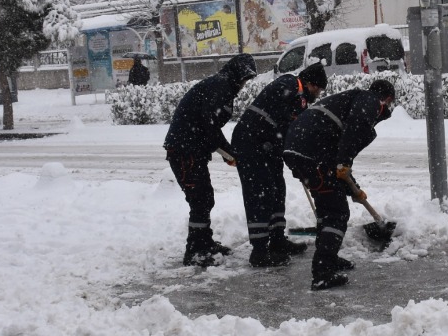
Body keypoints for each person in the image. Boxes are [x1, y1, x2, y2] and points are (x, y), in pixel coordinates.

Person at [282, 77, 397, 291]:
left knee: (327, 206)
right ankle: (323, 272)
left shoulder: (348, 101)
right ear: (387, 99)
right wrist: (344, 162)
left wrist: (352, 187)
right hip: (312, 152)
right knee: (336, 213)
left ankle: (329, 258)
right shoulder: (370, 99)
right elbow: (355, 130)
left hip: (301, 149)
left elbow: (338, 156)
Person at [163, 54, 257, 267]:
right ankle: (194, 251)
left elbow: (209, 126)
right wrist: (228, 152)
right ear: (237, 73)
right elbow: (209, 124)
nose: (244, 84)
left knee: (204, 197)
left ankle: (204, 242)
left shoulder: (223, 86)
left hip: (192, 149)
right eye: (244, 78)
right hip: (184, 150)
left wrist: (227, 152)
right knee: (200, 199)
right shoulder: (220, 86)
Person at [232, 62, 328, 267]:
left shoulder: (299, 97)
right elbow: (284, 122)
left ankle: (277, 240)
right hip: (250, 142)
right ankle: (259, 251)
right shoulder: (288, 85)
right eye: (318, 89)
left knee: (277, 190)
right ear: (311, 83)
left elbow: (292, 129)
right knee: (260, 193)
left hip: (269, 145)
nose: (318, 94)